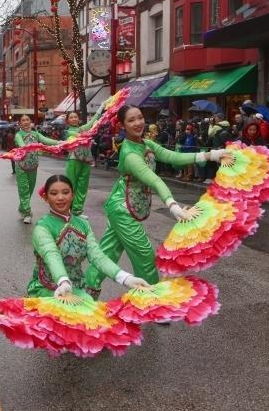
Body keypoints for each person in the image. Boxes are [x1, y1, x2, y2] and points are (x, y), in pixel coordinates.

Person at [84, 105, 233, 294]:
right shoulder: (130, 154)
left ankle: (88, 290)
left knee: (108, 252)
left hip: (127, 205)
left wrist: (210, 155)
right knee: (145, 255)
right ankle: (151, 299)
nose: (138, 123)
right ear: (122, 125)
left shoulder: (146, 144)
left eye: (139, 117)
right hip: (123, 209)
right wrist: (172, 205)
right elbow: (153, 179)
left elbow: (173, 156)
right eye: (131, 120)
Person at [30, 174, 148, 299]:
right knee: (87, 302)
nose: (60, 197)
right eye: (54, 193)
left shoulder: (83, 224)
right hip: (50, 288)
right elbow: (51, 255)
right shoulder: (42, 228)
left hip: (77, 287)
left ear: (73, 195)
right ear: (46, 198)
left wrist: (126, 278)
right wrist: (63, 281)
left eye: (65, 192)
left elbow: (97, 256)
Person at [12, 114, 61, 224]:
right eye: (23, 120)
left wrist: (59, 143)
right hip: (21, 166)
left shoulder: (35, 134)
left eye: (27, 120)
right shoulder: (18, 135)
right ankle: (27, 213)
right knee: (24, 190)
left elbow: (45, 140)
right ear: (20, 123)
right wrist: (25, 146)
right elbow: (21, 144)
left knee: (30, 190)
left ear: (30, 121)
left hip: (33, 166)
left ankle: (22, 208)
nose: (25, 122)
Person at [63, 109, 103, 217]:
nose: (74, 119)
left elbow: (93, 121)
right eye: (71, 117)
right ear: (67, 120)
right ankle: (68, 209)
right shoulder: (68, 131)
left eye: (75, 117)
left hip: (86, 160)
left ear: (78, 119)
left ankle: (77, 210)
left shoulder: (82, 129)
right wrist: (84, 135)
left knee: (83, 186)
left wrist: (100, 109)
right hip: (74, 159)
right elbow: (73, 135)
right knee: (72, 185)